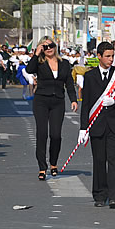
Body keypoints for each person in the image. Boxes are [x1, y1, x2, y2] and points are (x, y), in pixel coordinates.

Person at [26, 36, 78, 181]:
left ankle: (53, 163)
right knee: (42, 134)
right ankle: (42, 167)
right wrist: (36, 54)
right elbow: (29, 70)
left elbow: (69, 83)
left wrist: (73, 100)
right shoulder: (39, 63)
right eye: (45, 47)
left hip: (58, 101)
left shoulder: (65, 64)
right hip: (41, 100)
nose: (49, 49)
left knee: (56, 135)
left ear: (56, 47)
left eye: (51, 46)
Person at [79, 42, 115, 209]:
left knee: (113, 160)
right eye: (107, 56)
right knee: (99, 161)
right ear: (99, 56)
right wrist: (83, 128)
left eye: (112, 56)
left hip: (113, 124)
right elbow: (87, 103)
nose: (111, 59)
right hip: (96, 125)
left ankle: (113, 196)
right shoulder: (90, 77)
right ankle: (99, 195)